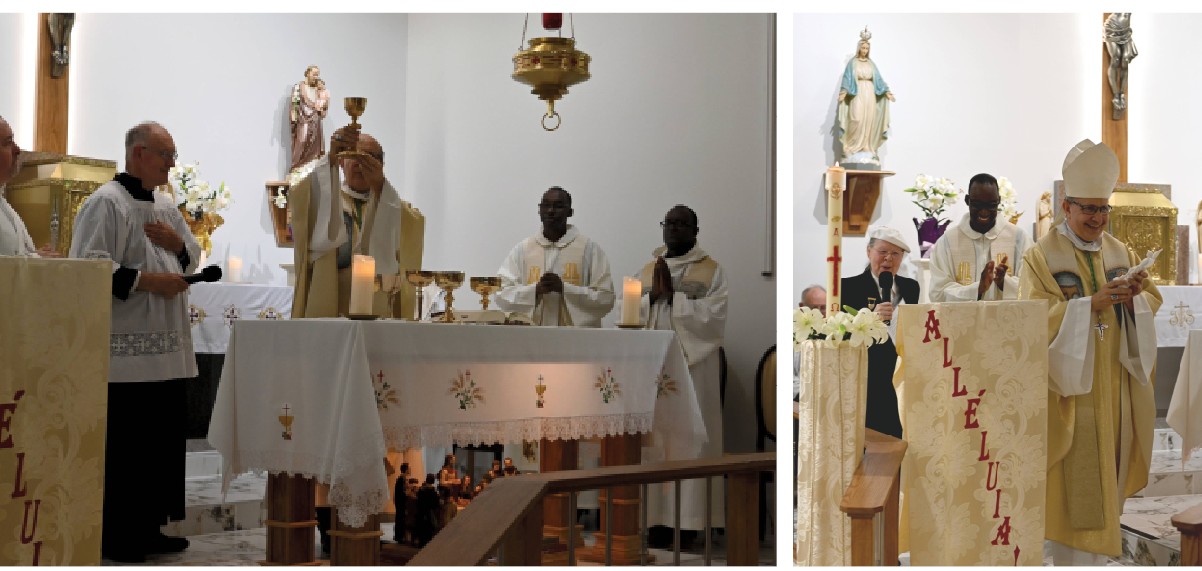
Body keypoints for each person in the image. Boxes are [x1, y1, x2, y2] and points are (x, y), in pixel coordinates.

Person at [1020, 139, 1160, 565]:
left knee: (1108, 474)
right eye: (1089, 210)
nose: (1098, 219)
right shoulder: (1040, 256)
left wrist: (1136, 296)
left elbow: (1150, 301)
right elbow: (1031, 318)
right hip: (1070, 390)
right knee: (1074, 489)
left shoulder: (1120, 251)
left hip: (1114, 386)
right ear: (1066, 207)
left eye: (1104, 209)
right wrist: (1087, 306)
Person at [69, 121, 201, 563]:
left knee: (158, 444)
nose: (171, 164)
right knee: (127, 447)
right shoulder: (106, 203)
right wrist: (150, 281)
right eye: (165, 155)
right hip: (125, 354)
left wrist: (178, 246)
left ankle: (150, 527)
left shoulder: (165, 205)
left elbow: (192, 257)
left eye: (173, 155)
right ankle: (117, 535)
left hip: (167, 351)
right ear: (138, 154)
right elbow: (88, 267)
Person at [633, 205, 728, 547]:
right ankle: (654, 521)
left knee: (690, 438)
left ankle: (688, 523)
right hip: (652, 369)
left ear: (695, 230)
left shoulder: (711, 270)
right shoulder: (648, 269)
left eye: (681, 224)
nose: (673, 229)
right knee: (653, 440)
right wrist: (651, 299)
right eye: (668, 223)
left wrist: (675, 299)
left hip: (693, 367)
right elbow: (629, 311)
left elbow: (715, 317)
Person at [291, 126, 424, 319]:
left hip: (377, 303)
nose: (361, 163)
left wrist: (381, 188)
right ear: (342, 162)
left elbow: (412, 227)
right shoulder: (326, 202)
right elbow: (300, 201)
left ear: (381, 166)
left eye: (369, 157)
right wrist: (330, 160)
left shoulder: (392, 206)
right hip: (332, 301)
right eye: (354, 155)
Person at [495, 186, 615, 327]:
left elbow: (605, 298)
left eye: (558, 206)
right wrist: (535, 290)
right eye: (546, 205)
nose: (550, 211)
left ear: (570, 212)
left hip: (575, 337)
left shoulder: (589, 249)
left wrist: (564, 289)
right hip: (531, 335)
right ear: (539, 210)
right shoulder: (522, 250)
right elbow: (501, 293)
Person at [841, 226, 919, 439]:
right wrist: (869, 319)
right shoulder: (847, 287)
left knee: (900, 438)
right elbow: (842, 335)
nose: (888, 259)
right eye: (882, 252)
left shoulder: (911, 287)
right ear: (869, 252)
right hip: (868, 377)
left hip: (901, 374)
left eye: (895, 254)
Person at [928, 173, 1032, 303]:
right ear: (967, 200)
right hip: (963, 317)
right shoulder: (947, 242)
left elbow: (1032, 287)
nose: (984, 211)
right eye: (977, 204)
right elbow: (938, 293)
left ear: (999, 201)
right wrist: (977, 289)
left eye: (991, 205)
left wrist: (1004, 283)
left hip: (1007, 316)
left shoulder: (1019, 239)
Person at [0, 116, 59, 257]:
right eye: (7, 143)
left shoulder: (5, 205)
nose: (17, 150)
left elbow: (12, 253)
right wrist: (35, 258)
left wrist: (35, 256)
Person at [836, 27, 894, 166]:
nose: (865, 50)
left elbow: (878, 80)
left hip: (870, 92)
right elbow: (847, 78)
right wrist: (844, 92)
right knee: (856, 118)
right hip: (857, 92)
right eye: (863, 48)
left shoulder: (871, 64)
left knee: (868, 119)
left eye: (867, 48)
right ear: (859, 48)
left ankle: (867, 146)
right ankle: (851, 147)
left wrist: (886, 91)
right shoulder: (853, 63)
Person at [290, 65, 330, 171]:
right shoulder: (299, 87)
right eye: (314, 74)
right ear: (308, 73)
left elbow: (324, 104)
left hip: (315, 120)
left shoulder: (319, 89)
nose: (316, 77)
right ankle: (297, 168)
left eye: (317, 75)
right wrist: (294, 116)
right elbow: (294, 103)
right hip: (303, 119)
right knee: (302, 141)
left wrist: (323, 105)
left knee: (315, 145)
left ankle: (313, 169)